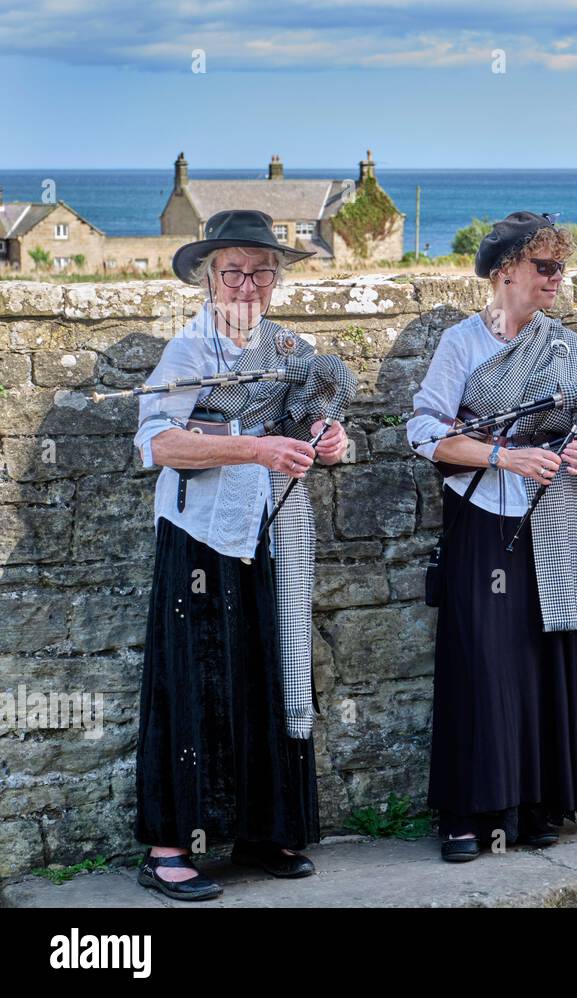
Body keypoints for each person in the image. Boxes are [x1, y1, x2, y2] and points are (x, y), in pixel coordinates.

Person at [132, 209, 356, 900]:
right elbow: (159, 446)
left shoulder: (291, 348)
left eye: (262, 270)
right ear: (209, 277)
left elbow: (310, 417)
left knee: (271, 670)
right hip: (203, 538)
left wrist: (328, 435)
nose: (249, 284)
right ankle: (169, 849)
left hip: (273, 531)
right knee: (195, 682)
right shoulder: (189, 352)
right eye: (234, 270)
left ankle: (265, 831)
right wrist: (254, 448)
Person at [407, 211, 577, 862]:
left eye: (562, 267)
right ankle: (468, 814)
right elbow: (424, 433)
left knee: (540, 661)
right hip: (484, 517)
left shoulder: (568, 347)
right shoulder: (461, 345)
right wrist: (504, 457)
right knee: (483, 665)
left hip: (553, 517)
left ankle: (536, 804)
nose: (557, 279)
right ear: (505, 271)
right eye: (545, 267)